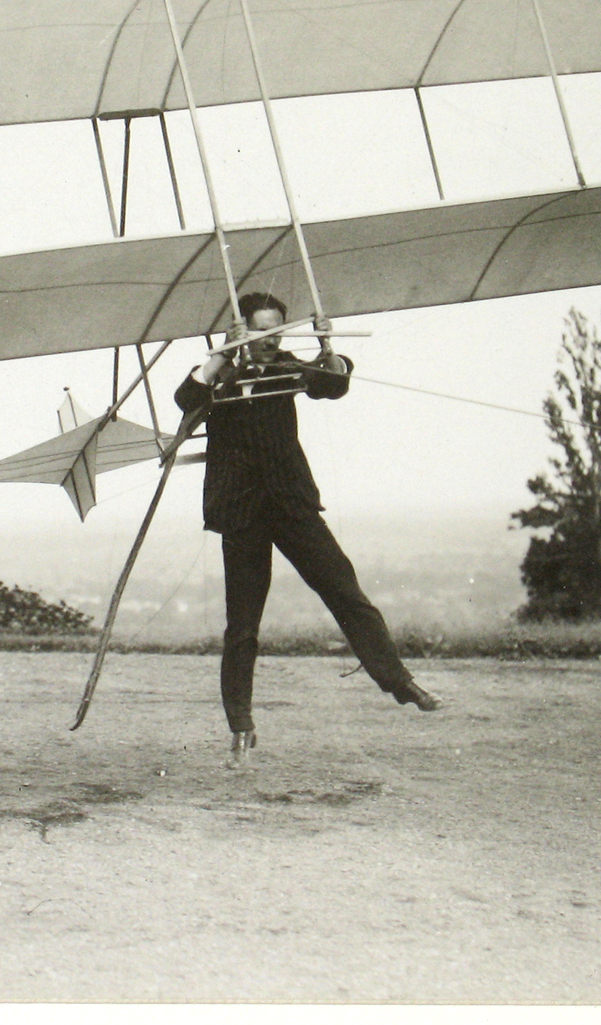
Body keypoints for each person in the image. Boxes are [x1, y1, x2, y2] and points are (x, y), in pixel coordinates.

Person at [174, 292, 441, 766]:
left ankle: (399, 682)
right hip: (242, 512)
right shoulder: (223, 376)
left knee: (346, 591)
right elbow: (186, 398)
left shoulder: (289, 367)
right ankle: (240, 724)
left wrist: (325, 343)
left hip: (291, 504)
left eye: (277, 331)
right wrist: (221, 356)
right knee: (243, 624)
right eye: (259, 332)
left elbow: (332, 385)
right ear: (241, 334)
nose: (270, 341)